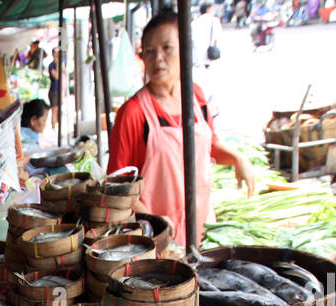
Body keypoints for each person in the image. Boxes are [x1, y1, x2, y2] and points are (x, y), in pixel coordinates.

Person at [107, 11, 257, 245]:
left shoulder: (195, 96)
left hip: (201, 224)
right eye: (149, 51)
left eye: (167, 48)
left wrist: (238, 158)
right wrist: (155, 220)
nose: (158, 58)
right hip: (155, 238)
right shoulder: (133, 113)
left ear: (185, 49)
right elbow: (118, 188)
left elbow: (210, 145)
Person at [193, 2, 221, 70]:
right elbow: (216, 37)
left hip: (197, 57)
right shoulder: (214, 20)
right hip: (210, 55)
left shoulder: (195, 22)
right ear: (208, 9)